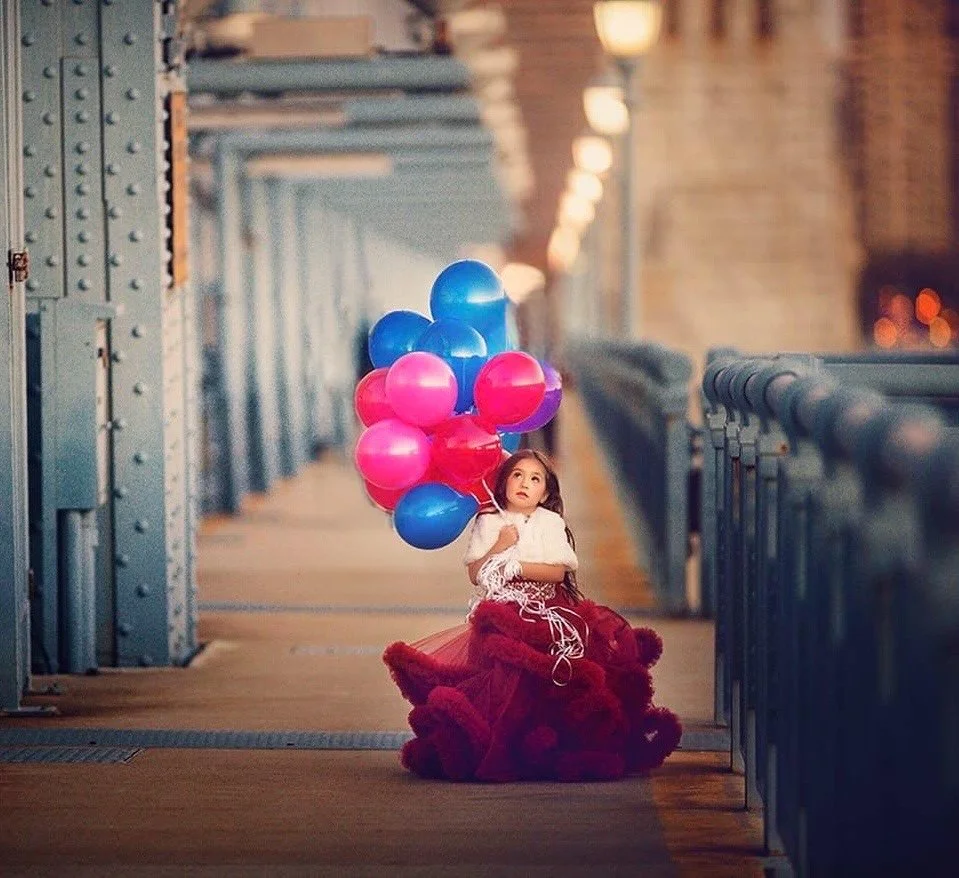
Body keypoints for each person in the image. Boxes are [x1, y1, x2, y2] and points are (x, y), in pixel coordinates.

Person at [383, 449, 682, 782]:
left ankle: (550, 743)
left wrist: (516, 565)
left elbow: (556, 572)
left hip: (545, 611)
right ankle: (506, 742)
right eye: (517, 475)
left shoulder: (549, 522)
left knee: (551, 677)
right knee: (504, 681)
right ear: (503, 482)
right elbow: (476, 574)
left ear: (546, 492)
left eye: (535, 479)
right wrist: (498, 547)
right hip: (501, 615)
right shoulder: (489, 520)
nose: (524, 484)